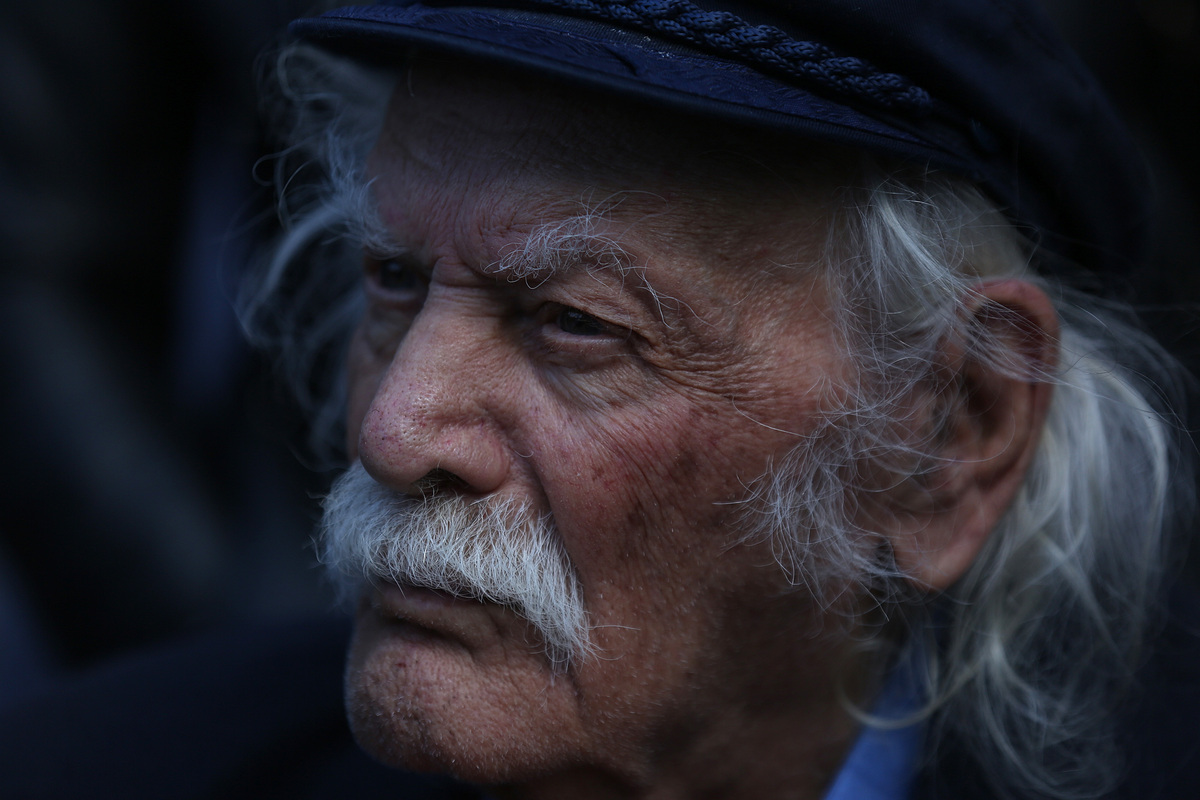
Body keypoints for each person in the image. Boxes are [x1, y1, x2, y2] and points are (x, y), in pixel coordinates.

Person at [237, 1, 1200, 798]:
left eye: (577, 323)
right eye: (395, 279)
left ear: (944, 439)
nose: (393, 431)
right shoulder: (153, 757)